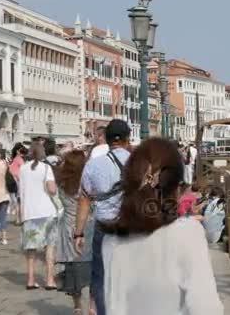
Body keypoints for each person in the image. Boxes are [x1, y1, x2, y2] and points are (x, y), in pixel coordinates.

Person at [101, 138, 223, 314]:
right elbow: (206, 307)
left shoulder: (111, 239)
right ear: (176, 188)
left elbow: (113, 303)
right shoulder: (188, 233)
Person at [74, 119, 131, 315]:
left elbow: (84, 201)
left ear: (106, 140)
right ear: (127, 139)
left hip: (104, 227)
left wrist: (78, 233)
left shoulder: (93, 165)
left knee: (100, 276)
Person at [54, 150, 95, 315]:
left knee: (71, 267)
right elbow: (89, 206)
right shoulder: (85, 184)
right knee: (88, 266)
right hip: (85, 226)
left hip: (66, 226)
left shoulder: (62, 183)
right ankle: (90, 305)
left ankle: (77, 306)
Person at [19, 143, 58, 290]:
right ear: (42, 154)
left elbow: (21, 192)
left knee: (30, 248)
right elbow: (52, 189)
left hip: (29, 212)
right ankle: (49, 279)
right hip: (47, 211)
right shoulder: (46, 168)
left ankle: (30, 279)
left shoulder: (23, 169)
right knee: (49, 246)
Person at [9, 143, 27, 224]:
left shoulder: (14, 159)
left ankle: (18, 219)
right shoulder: (19, 159)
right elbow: (22, 171)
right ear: (18, 151)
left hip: (14, 182)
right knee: (19, 201)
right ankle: (19, 219)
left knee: (17, 201)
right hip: (18, 182)